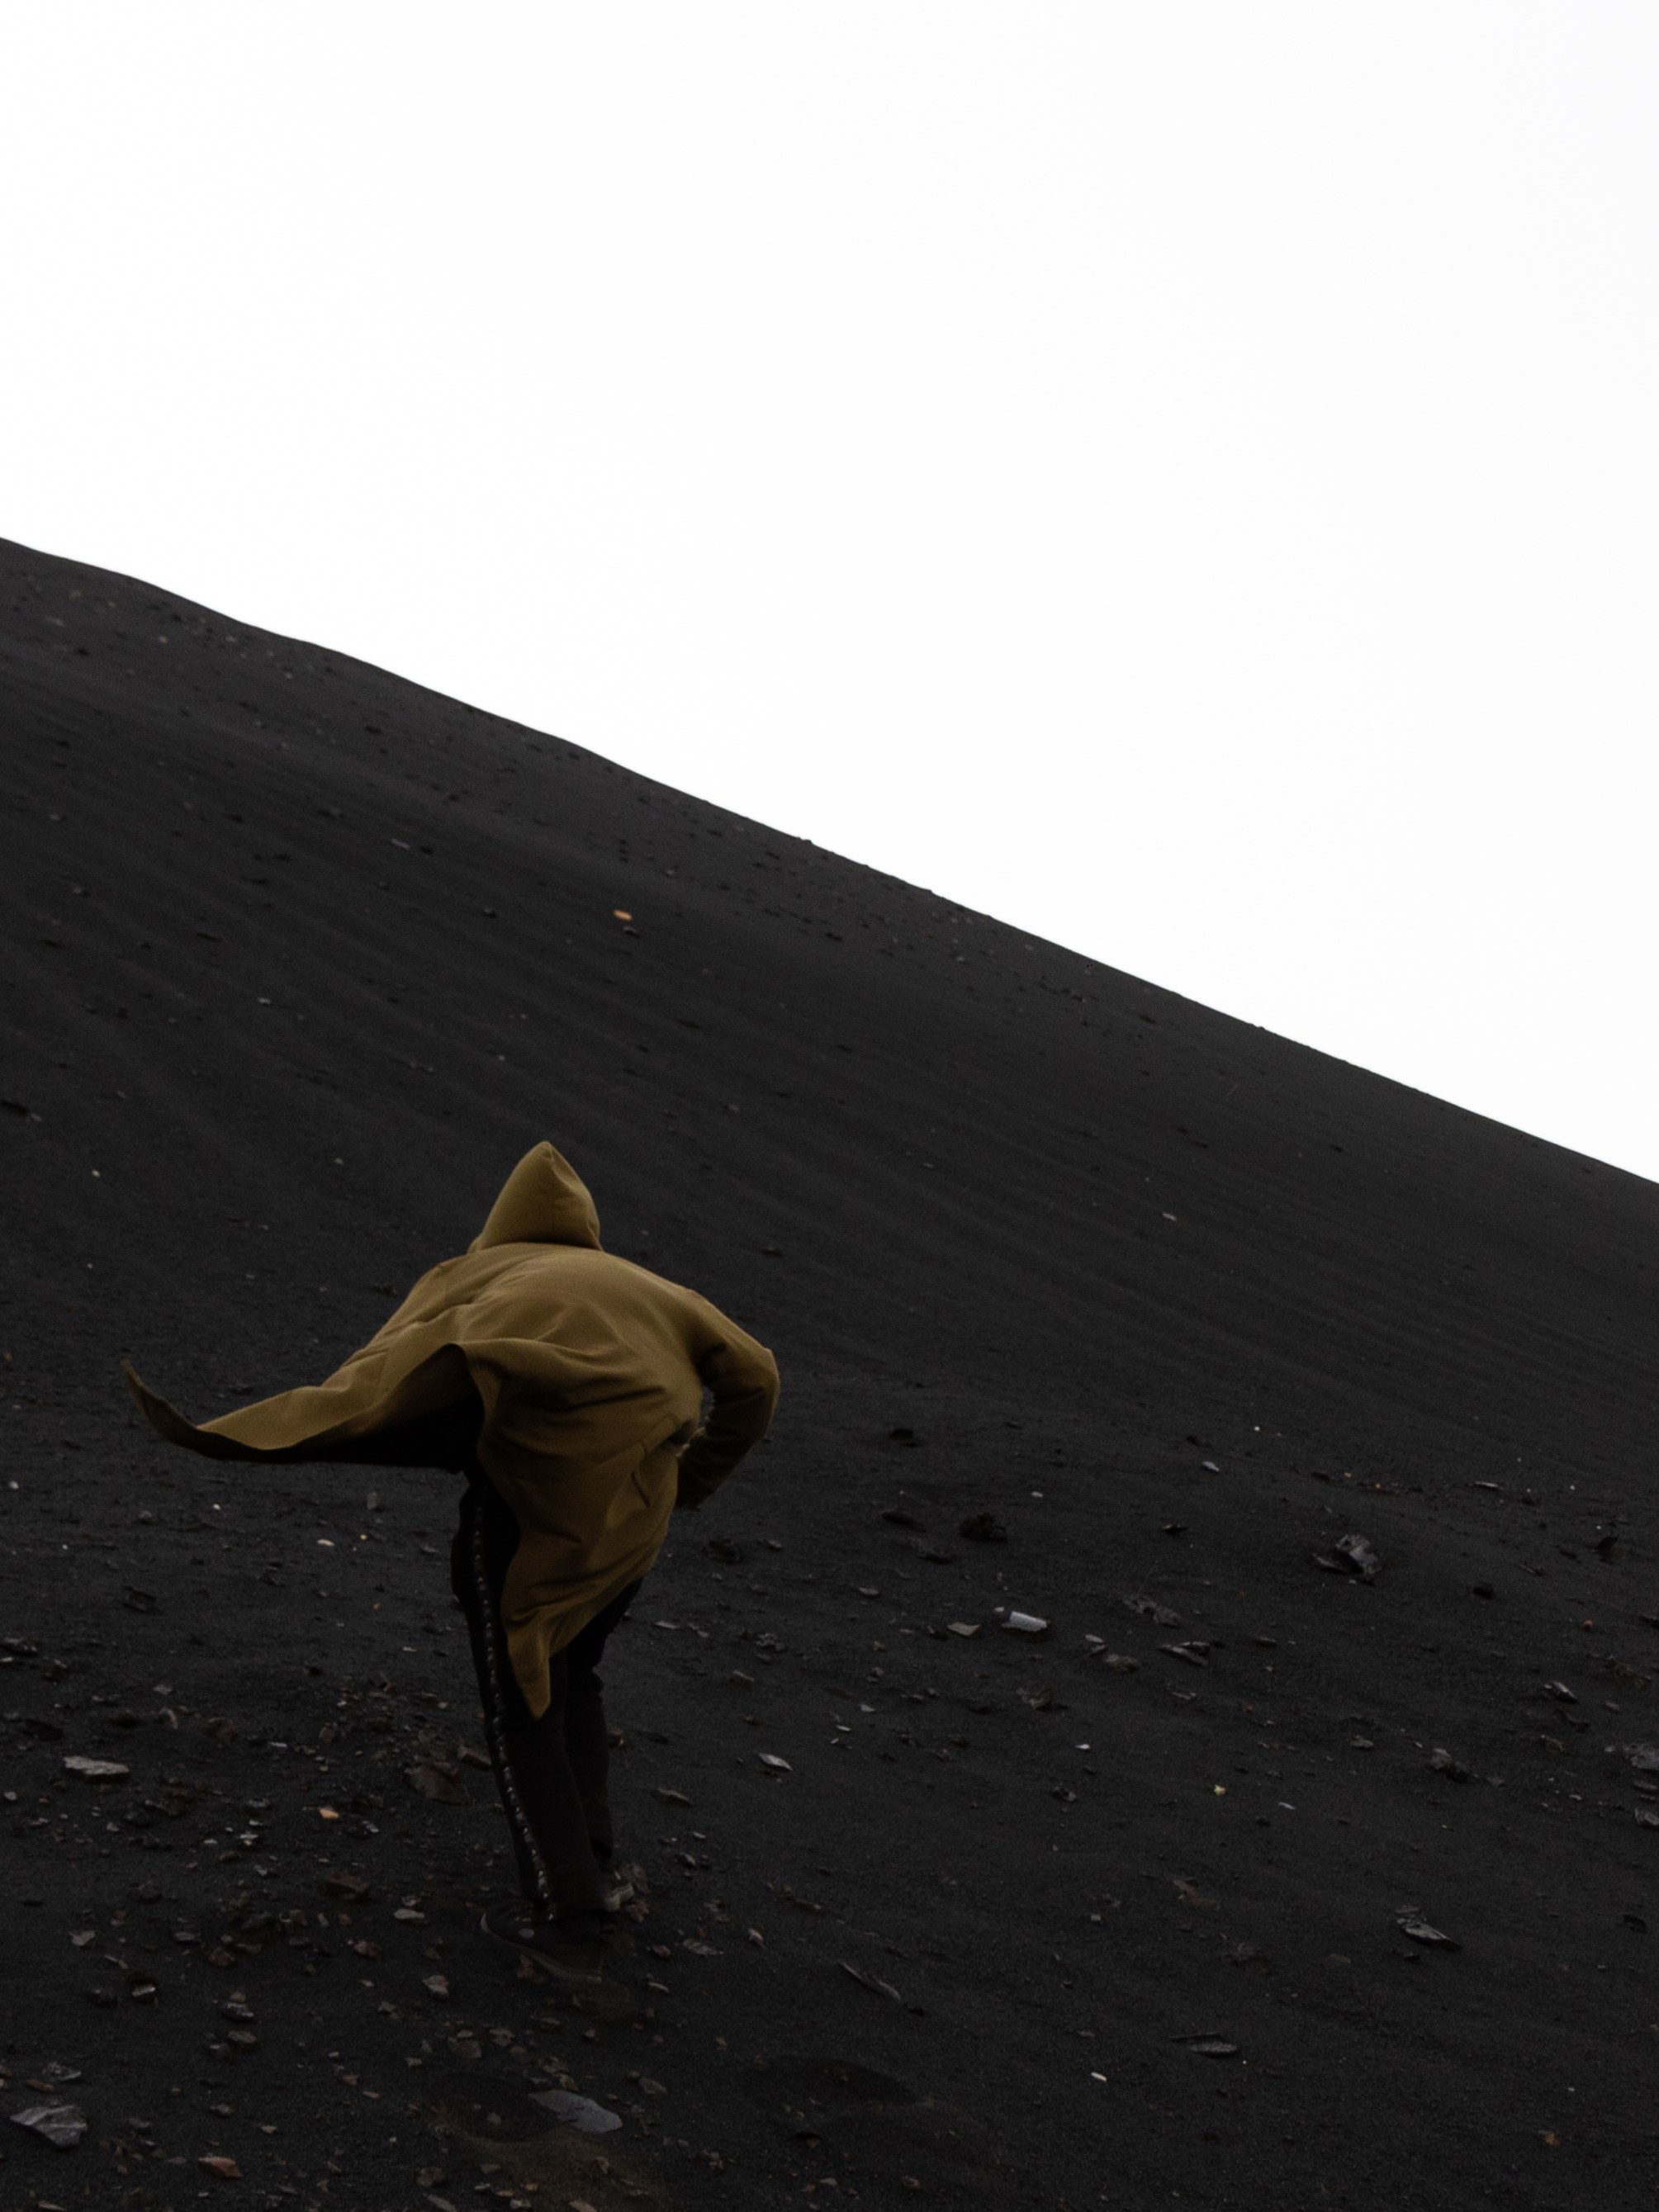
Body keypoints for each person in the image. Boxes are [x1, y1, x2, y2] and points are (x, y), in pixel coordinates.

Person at [125, 1140, 780, 1982]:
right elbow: (757, 1377)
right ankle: (595, 1868)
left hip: (526, 1516)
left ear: (500, 1224)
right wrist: (691, 1479)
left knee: (520, 1703)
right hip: (632, 1519)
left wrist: (237, 1435)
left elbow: (375, 1381)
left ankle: (567, 1916)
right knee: (574, 1674)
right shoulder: (653, 1289)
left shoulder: (474, 1276)